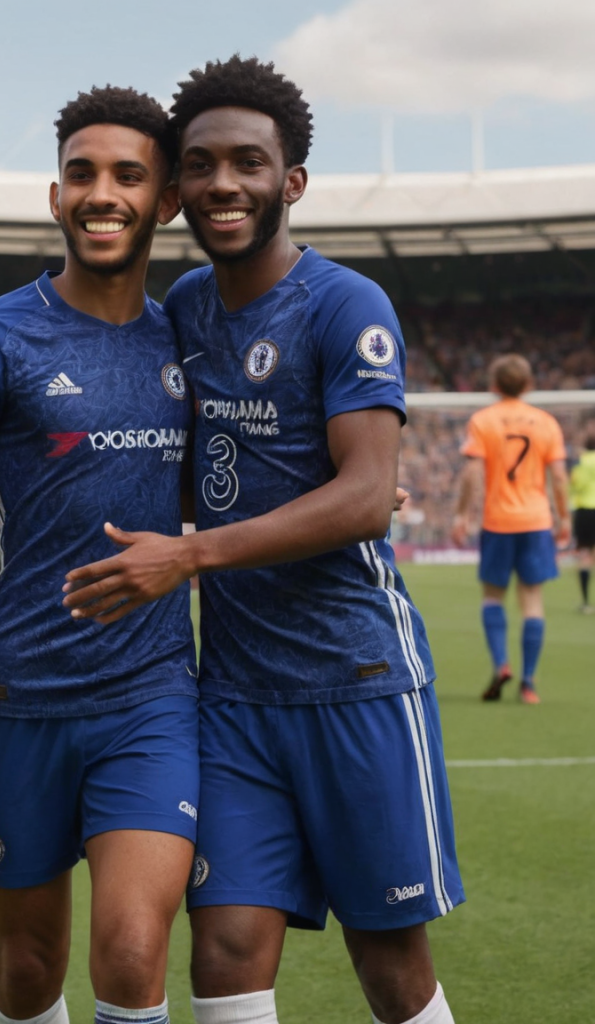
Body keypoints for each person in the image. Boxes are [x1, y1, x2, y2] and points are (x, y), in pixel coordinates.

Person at [62, 56, 463, 1024]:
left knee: (387, 954)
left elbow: (366, 497)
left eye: (247, 162)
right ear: (176, 188)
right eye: (198, 164)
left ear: (291, 182)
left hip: (355, 677)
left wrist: (188, 554)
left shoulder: (344, 304)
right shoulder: (184, 313)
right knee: (229, 946)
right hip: (235, 692)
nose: (221, 184)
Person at [0, 87, 201, 1024]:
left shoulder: (192, 334)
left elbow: (242, 463)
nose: (102, 193)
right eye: (82, 174)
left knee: (136, 951)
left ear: (166, 200)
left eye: (128, 176)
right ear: (56, 196)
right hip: (20, 689)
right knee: (27, 968)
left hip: (151, 691)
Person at [451, 354, 571, 703]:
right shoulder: (546, 422)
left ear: (493, 385)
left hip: (498, 522)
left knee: (492, 597)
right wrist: (563, 519)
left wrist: (462, 515)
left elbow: (472, 472)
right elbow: (560, 477)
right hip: (536, 522)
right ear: (529, 385)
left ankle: (502, 664)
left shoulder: (483, 420)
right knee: (532, 601)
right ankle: (529, 682)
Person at [570, 432, 595, 613]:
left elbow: (575, 485)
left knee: (585, 555)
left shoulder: (582, 461)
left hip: (586, 510)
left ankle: (586, 602)